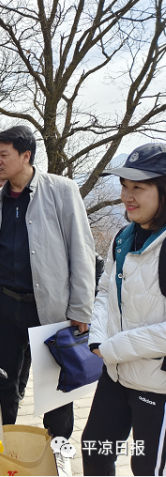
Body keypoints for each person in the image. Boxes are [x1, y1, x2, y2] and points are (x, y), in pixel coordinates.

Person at [0, 125, 95, 440]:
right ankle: (5, 452)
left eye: (4, 155)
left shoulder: (61, 190)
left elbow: (81, 250)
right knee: (2, 383)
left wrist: (81, 308)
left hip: (50, 308)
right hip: (1, 305)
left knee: (55, 389)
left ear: (25, 155)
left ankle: (58, 455)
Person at [82, 143, 166, 476]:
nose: (126, 196)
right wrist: (99, 336)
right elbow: (106, 291)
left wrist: (113, 347)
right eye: (123, 186)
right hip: (116, 374)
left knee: (147, 467)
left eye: (138, 188)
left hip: (156, 383)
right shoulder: (123, 237)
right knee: (95, 449)